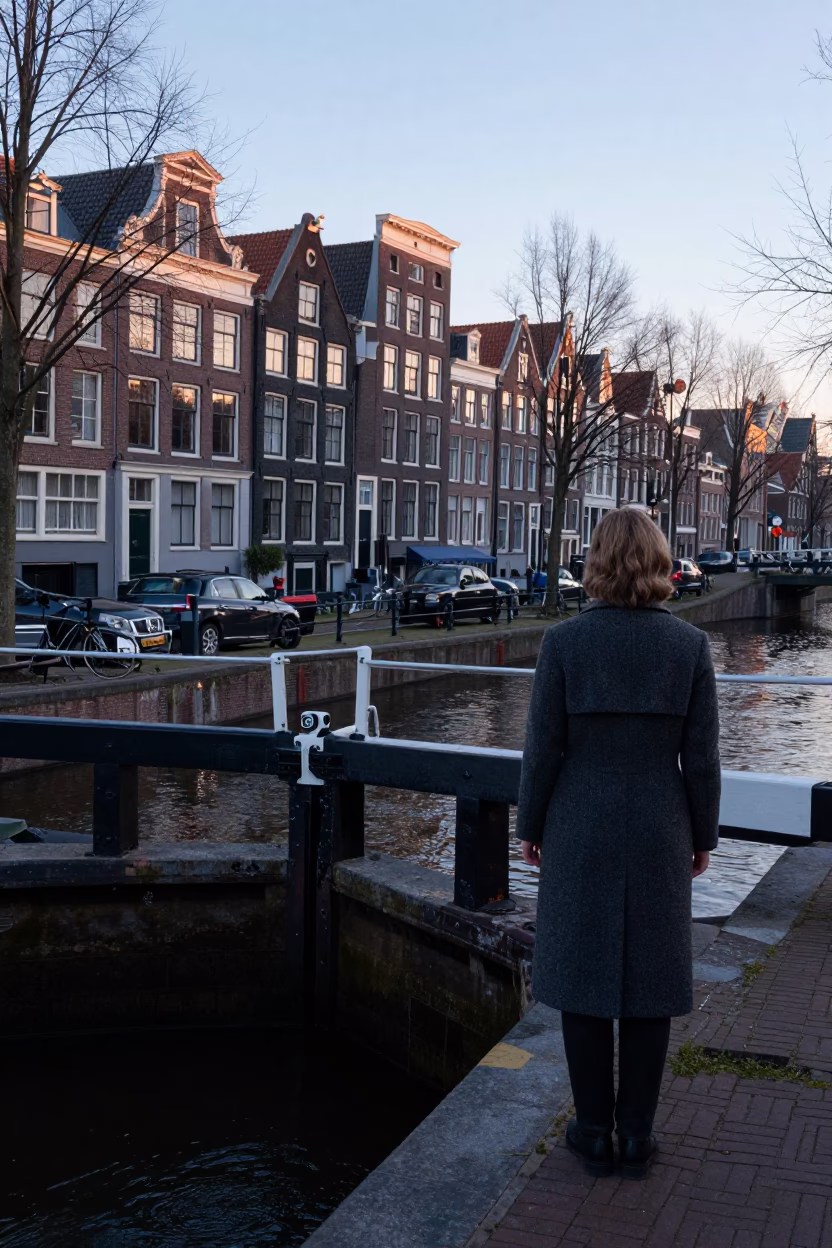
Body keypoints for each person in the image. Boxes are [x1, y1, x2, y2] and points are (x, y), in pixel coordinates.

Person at [516, 509, 720, 1181]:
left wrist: (532, 825)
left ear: (596, 563)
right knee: (650, 983)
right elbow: (703, 758)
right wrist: (702, 835)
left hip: (581, 822)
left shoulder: (564, 643)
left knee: (582, 978)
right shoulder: (689, 647)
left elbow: (543, 749)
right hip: (661, 822)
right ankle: (636, 1136)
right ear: (661, 563)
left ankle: (592, 1130)